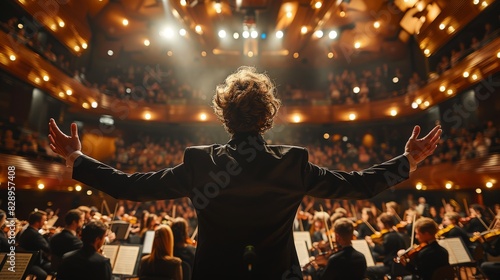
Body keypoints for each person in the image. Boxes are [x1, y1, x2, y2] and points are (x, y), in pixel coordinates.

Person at [48, 66, 442, 279]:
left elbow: (128, 187)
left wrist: (79, 160)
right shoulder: (293, 161)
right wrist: (408, 160)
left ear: (224, 115)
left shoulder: (199, 163)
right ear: (268, 116)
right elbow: (360, 186)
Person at [365, 213, 407, 280]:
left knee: (367, 270)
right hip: (398, 265)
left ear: (385, 224)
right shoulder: (398, 234)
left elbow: (383, 251)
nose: (378, 225)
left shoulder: (389, 236)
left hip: (391, 267)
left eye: (379, 222)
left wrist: (371, 243)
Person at [17, 210, 52, 280]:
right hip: (30, 263)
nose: (45, 223)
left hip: (29, 260)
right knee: (44, 274)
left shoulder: (27, 231)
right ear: (37, 222)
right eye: (44, 220)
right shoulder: (34, 234)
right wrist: (49, 236)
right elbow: (48, 248)